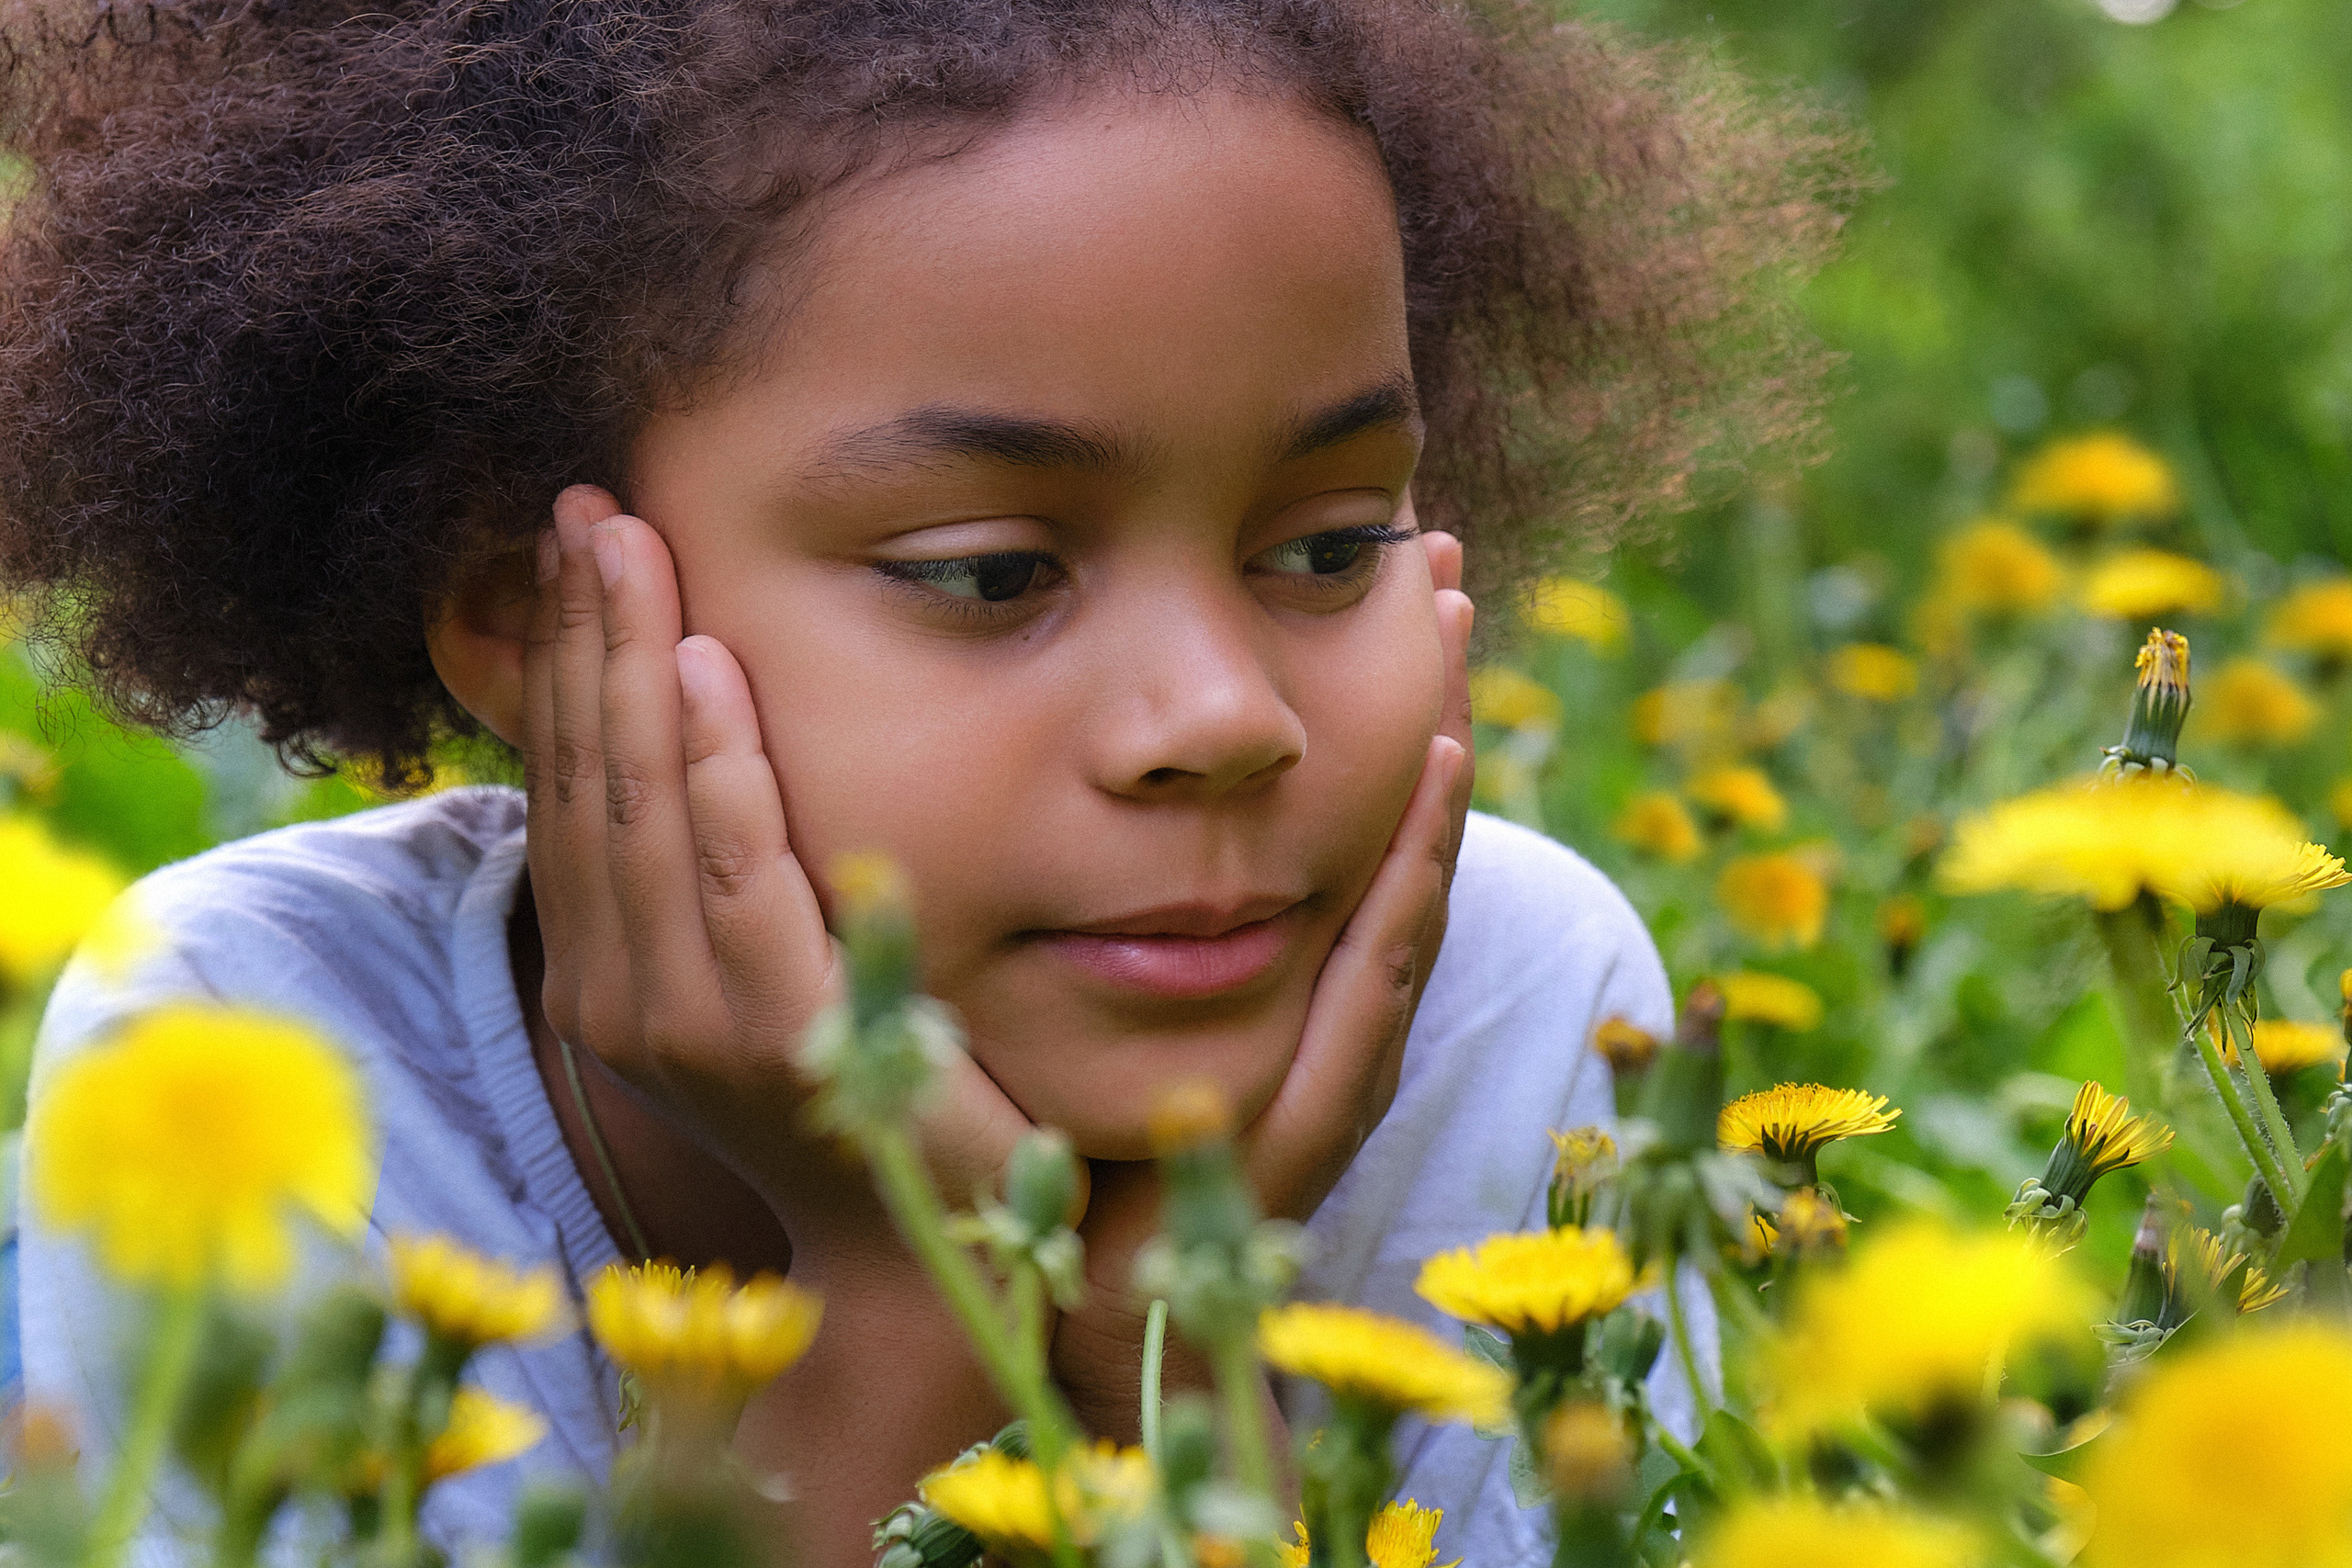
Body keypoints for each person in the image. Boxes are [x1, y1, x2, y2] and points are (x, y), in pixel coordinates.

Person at [0, 0, 1846, 1561]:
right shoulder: (252, 1068)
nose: (1220, 715)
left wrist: (1162, 1352)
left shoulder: (1522, 1020)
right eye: (989, 572)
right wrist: (913, 1291)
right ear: (524, 610)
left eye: (1326, 544)